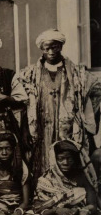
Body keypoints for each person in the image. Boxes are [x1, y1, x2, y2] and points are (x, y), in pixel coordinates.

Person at [19, 29, 101, 183]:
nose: (50, 51)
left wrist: (82, 114)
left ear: (61, 46)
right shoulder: (29, 74)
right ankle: (44, 191)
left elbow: (96, 90)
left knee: (67, 158)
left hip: (68, 129)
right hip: (42, 129)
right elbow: (20, 102)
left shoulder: (77, 73)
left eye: (54, 47)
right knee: (42, 163)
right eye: (46, 48)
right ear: (41, 49)